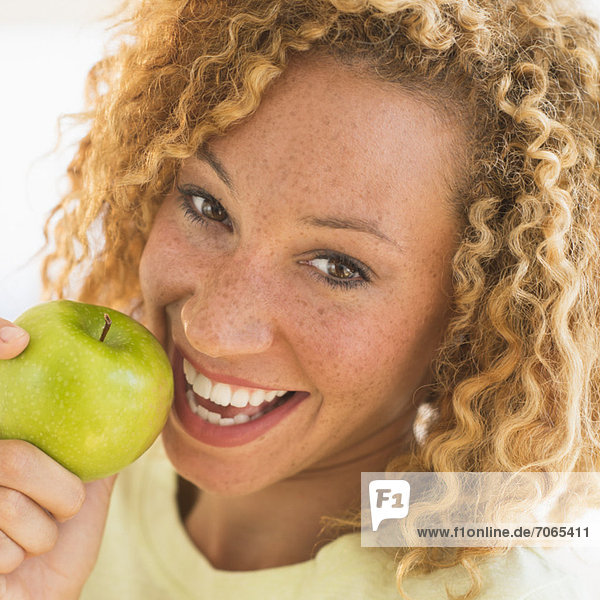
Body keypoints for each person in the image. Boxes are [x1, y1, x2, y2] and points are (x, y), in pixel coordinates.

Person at [1, 0, 600, 597]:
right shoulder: (42, 496)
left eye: (338, 267)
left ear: (478, 318)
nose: (212, 327)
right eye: (208, 208)